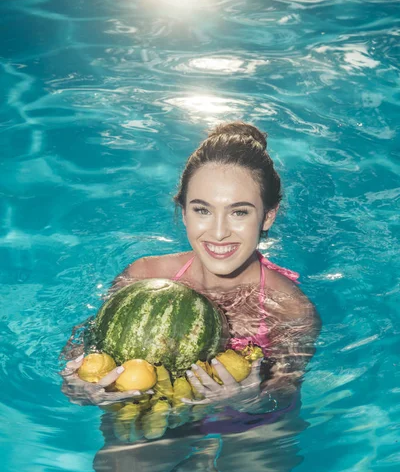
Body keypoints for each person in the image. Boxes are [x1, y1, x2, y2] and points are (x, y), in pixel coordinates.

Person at [61, 121, 320, 412]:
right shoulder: (142, 277)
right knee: (123, 459)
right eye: (202, 210)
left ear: (268, 217)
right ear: (184, 213)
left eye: (239, 212)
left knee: (252, 455)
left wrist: (249, 401)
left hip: (244, 423)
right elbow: (84, 347)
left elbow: (284, 395)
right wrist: (79, 384)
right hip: (152, 410)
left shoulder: (290, 309)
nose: (219, 232)